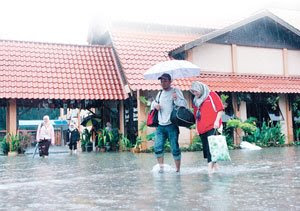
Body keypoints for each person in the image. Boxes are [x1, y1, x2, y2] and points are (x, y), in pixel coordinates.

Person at [151, 73, 188, 173]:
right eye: (161, 81)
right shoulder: (160, 93)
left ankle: (178, 170)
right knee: (158, 148)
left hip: (172, 125)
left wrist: (176, 99)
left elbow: (184, 104)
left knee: (175, 148)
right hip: (160, 126)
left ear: (170, 81)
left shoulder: (175, 91)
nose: (163, 83)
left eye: (165, 81)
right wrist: (155, 105)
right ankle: (161, 169)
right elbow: (153, 104)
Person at [190, 81, 224, 173]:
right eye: (193, 92)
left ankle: (209, 170)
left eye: (196, 91)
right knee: (206, 149)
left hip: (213, 126)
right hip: (202, 127)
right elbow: (196, 116)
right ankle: (216, 168)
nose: (195, 93)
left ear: (201, 89)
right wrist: (196, 128)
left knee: (211, 148)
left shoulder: (212, 95)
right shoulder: (196, 100)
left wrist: (217, 121)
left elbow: (220, 109)